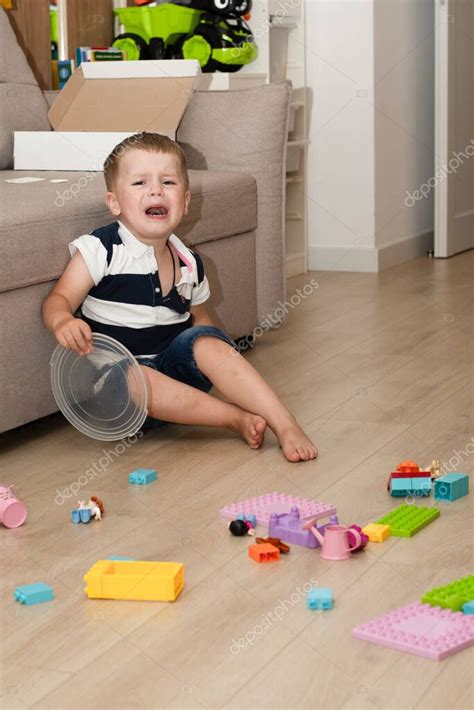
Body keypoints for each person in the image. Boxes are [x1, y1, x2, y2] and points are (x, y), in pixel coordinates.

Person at [42, 133, 318, 462]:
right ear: (114, 202)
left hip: (177, 382)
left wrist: (218, 355)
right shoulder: (102, 249)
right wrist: (62, 320)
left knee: (207, 341)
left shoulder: (188, 262)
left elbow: (200, 319)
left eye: (168, 182)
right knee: (138, 376)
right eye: (140, 182)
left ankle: (284, 423)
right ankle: (232, 418)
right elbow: (58, 298)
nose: (156, 190)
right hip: (119, 393)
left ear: (185, 202)